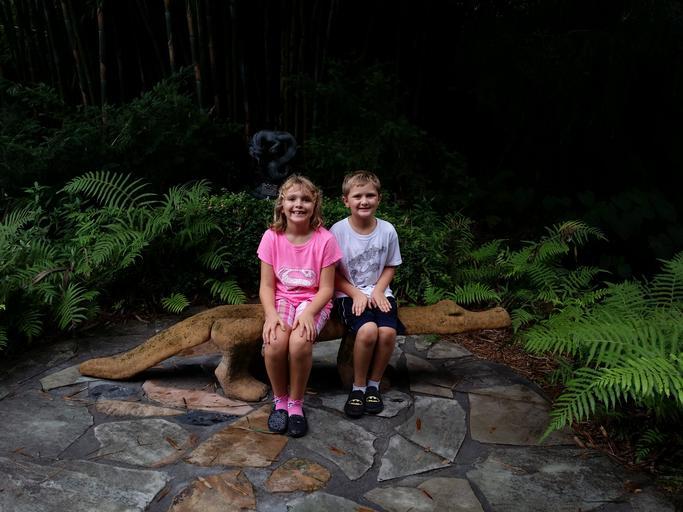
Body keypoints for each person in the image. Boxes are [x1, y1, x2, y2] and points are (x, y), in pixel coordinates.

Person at [257, 174, 342, 437]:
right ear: (282, 204)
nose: (298, 204)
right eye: (292, 198)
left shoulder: (325, 240)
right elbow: (267, 286)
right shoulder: (271, 237)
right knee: (274, 343)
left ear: (315, 204)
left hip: (313, 301)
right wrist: (271, 315)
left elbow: (327, 288)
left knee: (299, 343)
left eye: (305, 199)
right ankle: (280, 401)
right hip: (282, 300)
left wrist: (309, 313)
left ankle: (295, 403)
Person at [330, 170, 403, 418]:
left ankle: (374, 385)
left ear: (379, 199)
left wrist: (380, 290)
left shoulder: (388, 230)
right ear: (346, 200)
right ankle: (358, 387)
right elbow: (330, 273)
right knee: (368, 330)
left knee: (388, 332)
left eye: (370, 195)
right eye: (357, 196)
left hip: (380, 292)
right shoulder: (337, 231)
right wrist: (355, 293)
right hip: (347, 294)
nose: (364, 201)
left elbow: (391, 265)